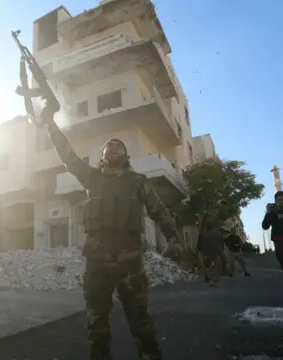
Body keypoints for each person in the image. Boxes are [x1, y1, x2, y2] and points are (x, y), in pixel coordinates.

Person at [41, 106, 183, 359]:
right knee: (97, 321)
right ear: (103, 155)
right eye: (109, 146)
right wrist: (51, 125)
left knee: (140, 319)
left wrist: (173, 237)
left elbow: (158, 210)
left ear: (125, 155)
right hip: (97, 261)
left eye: (119, 146)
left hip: (130, 260)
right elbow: (68, 155)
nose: (114, 148)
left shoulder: (137, 181)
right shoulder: (91, 177)